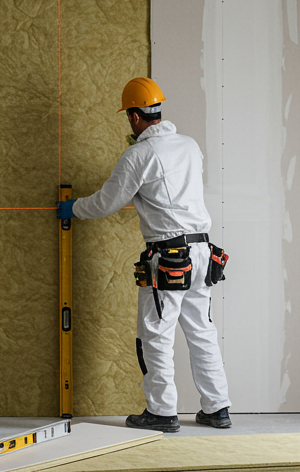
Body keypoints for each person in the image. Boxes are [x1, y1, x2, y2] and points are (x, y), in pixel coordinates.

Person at [56, 77, 231, 432]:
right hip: (202, 254)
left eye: (128, 117)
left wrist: (72, 209)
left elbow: (107, 202)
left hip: (168, 257)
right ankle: (217, 408)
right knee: (202, 331)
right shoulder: (189, 146)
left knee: (155, 334)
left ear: (134, 116)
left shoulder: (138, 155)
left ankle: (162, 412)